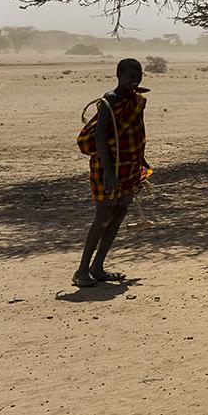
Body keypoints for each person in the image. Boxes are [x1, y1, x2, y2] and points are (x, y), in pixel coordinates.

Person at [73, 57, 152, 287]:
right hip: (107, 167)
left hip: (129, 165)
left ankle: (98, 268)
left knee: (118, 214)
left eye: (138, 75)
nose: (135, 79)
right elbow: (99, 137)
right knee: (103, 215)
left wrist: (141, 162)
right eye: (130, 75)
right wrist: (109, 173)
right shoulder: (110, 100)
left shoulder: (138, 100)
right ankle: (81, 271)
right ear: (118, 75)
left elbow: (138, 132)